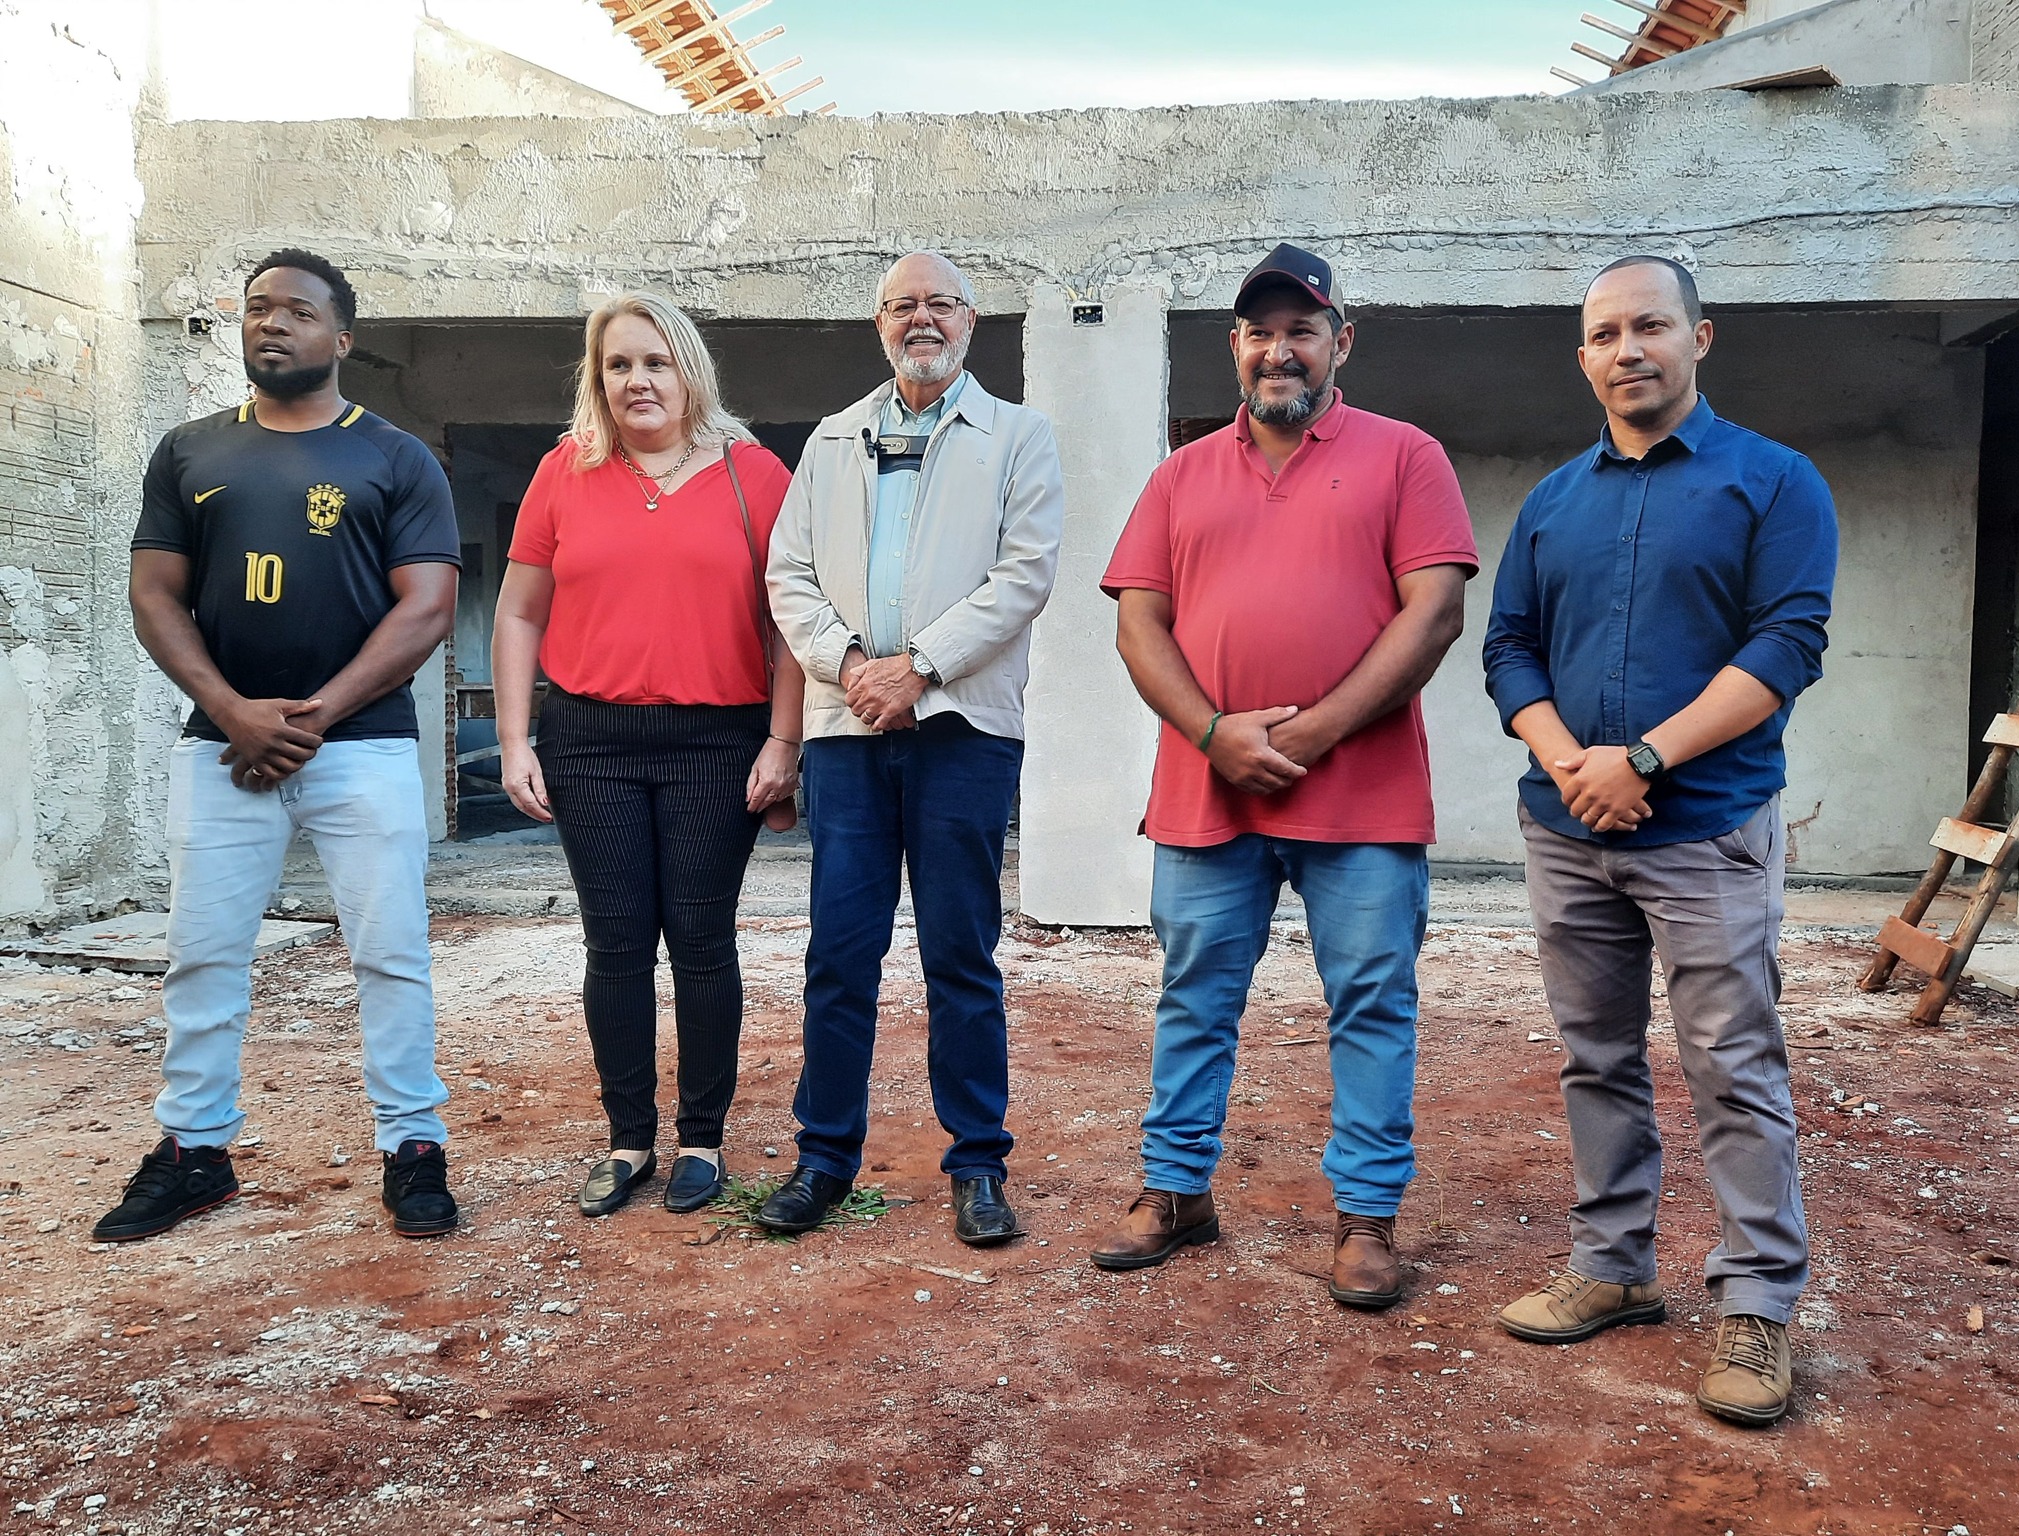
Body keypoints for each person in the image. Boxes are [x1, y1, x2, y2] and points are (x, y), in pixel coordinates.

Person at [1482, 255, 1837, 1427]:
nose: (1625, 350)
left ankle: (1757, 1301)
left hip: (1705, 827)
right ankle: (1611, 1266)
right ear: (1581, 355)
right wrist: (1568, 764)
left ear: (1698, 337)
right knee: (1594, 1056)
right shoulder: (1552, 501)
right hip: (1565, 826)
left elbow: (1784, 645)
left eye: (1648, 326)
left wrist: (1639, 761)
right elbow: (1508, 648)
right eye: (1602, 334)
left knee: (1730, 1063)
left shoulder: (1772, 482)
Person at [1088, 242, 1476, 1308]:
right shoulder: (1178, 476)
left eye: (1301, 330)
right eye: (1259, 332)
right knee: (1194, 997)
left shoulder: (1405, 456)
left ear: (1339, 341)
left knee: (1371, 1001)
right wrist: (1215, 734)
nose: (1279, 350)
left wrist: (1310, 735)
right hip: (1205, 790)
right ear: (1234, 347)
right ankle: (1176, 1191)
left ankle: (1366, 1217)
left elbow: (1434, 614)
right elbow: (1138, 626)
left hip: (1362, 796)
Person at [98, 248, 461, 1243]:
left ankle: (412, 1146)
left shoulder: (394, 456)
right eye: (259, 307)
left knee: (390, 954)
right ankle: (194, 1150)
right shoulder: (189, 451)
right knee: (202, 956)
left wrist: (311, 716)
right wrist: (233, 711)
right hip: (221, 751)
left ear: (341, 337)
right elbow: (153, 595)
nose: (273, 323)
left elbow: (427, 607)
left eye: (298, 311)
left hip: (364, 748)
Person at [761, 251, 1064, 1245]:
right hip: (846, 732)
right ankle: (823, 1160)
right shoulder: (829, 440)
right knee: (840, 953)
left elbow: (1024, 576)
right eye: (902, 306)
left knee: (959, 953)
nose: (920, 320)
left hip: (962, 729)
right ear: (879, 323)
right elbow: (788, 575)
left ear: (971, 321)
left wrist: (919, 668)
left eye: (939, 304)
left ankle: (977, 1164)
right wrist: (852, 665)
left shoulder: (1018, 437)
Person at [492, 291, 802, 1219]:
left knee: (702, 942)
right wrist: (513, 738)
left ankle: (701, 1140)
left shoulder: (755, 475)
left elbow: (790, 621)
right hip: (590, 742)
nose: (638, 380)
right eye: (619, 364)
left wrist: (784, 739)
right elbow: (519, 611)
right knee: (617, 945)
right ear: (598, 379)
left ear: (689, 372)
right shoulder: (565, 471)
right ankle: (628, 1139)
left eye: (656, 362)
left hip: (718, 741)